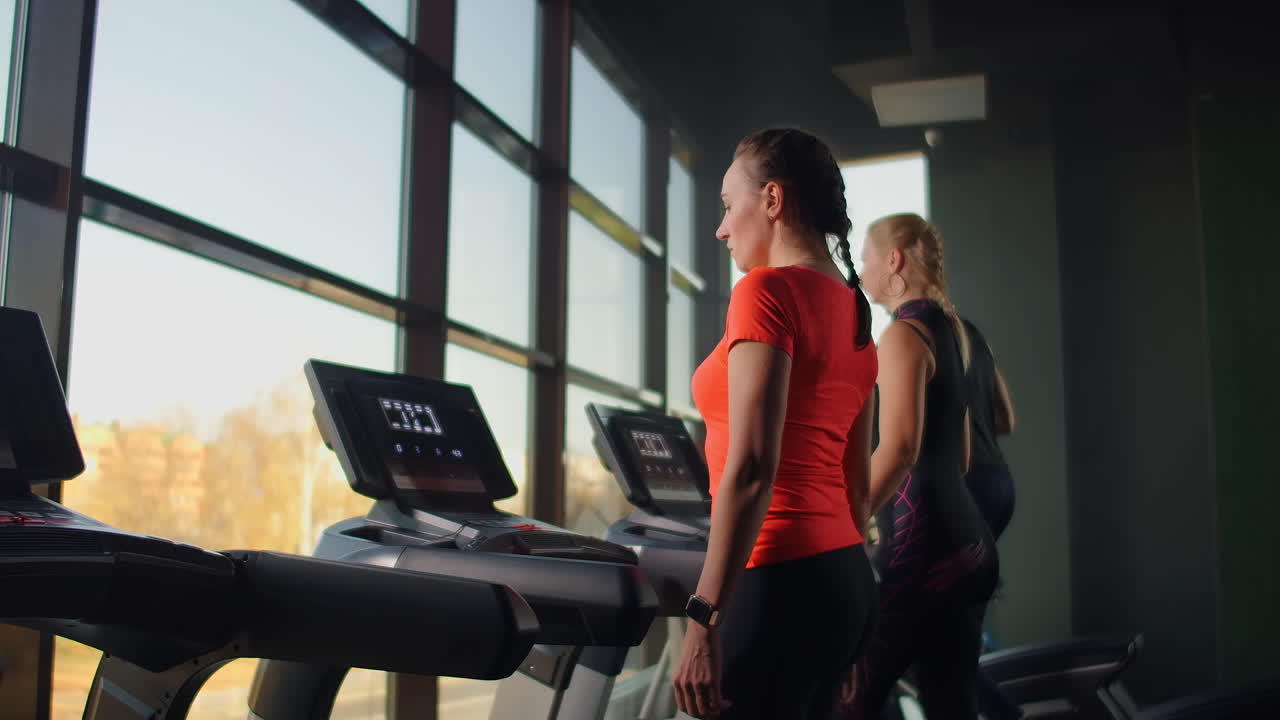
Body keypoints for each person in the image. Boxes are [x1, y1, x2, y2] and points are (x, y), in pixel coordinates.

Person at [672, 127, 879, 719]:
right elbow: (856, 488)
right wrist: (846, 638)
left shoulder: (765, 292)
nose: (721, 227)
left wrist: (703, 615)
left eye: (728, 206)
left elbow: (753, 468)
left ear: (772, 200)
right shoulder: (856, 313)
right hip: (844, 583)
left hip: (777, 586)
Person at [846, 213, 999, 719]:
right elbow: (962, 456)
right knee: (951, 706)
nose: (861, 268)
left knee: (849, 702)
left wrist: (847, 519)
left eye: (866, 256)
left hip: (920, 556)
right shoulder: (950, 332)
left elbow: (901, 448)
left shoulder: (903, 336)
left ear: (893, 261)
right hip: (968, 548)